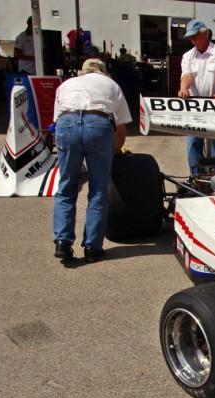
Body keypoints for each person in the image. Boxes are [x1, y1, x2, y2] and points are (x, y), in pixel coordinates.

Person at [52, 58, 132, 263]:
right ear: (104, 72)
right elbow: (121, 127)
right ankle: (92, 247)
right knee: (98, 189)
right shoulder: (111, 85)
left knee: (66, 186)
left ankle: (62, 242)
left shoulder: (66, 85)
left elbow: (57, 119)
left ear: (83, 72)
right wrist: (115, 149)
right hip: (98, 124)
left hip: (67, 123)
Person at [178, 19, 215, 173]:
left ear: (205, 34)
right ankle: (197, 179)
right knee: (192, 144)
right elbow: (187, 76)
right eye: (190, 38)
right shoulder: (188, 56)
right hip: (195, 106)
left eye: (195, 36)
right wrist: (183, 88)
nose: (192, 40)